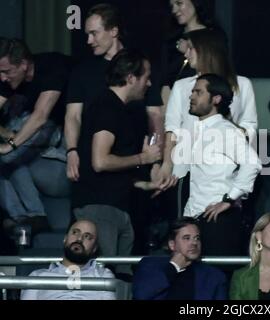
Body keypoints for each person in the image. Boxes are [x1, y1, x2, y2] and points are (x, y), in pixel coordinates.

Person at [138, 73, 261, 255]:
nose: (191, 96)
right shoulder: (203, 132)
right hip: (198, 219)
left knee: (217, 277)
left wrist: (228, 199)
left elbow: (253, 163)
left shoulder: (225, 131)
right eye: (192, 91)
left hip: (219, 220)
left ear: (216, 99)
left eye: (198, 92)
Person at [71, 49, 161, 276]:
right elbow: (100, 162)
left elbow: (112, 171)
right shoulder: (107, 107)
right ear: (131, 78)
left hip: (116, 206)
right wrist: (144, 158)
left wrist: (143, 185)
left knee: (121, 279)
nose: (149, 83)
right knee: (103, 277)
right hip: (101, 207)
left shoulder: (119, 109)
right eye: (146, 77)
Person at [65, 3, 164, 183]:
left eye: (94, 33)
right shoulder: (82, 71)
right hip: (96, 168)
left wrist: (155, 160)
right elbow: (73, 116)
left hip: (135, 167)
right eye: (87, 34)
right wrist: (71, 151)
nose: (89, 41)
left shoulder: (140, 66)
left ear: (113, 31)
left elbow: (155, 116)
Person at [157, 28, 257, 194]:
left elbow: (249, 124)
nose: (186, 54)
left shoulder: (241, 84)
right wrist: (167, 164)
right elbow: (172, 128)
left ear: (206, 50)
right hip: (186, 169)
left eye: (191, 48)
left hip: (224, 172)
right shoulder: (182, 86)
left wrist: (229, 128)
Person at [0, 37, 70, 234]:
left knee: (9, 153)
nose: (3, 77)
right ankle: (24, 217)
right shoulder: (11, 78)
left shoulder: (51, 66)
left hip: (64, 145)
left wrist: (9, 144)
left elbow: (40, 116)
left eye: (6, 72)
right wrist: (6, 133)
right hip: (36, 143)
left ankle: (35, 215)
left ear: (23, 64)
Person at [132, 217, 227, 300]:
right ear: (172, 245)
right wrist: (173, 267)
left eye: (197, 238)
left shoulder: (214, 276)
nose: (194, 243)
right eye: (186, 238)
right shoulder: (149, 265)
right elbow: (141, 295)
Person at [21, 219, 116, 300]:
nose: (79, 239)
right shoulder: (38, 276)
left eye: (87, 236)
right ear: (65, 239)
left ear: (94, 248)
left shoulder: (103, 275)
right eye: (75, 232)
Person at [161, 0, 218, 105]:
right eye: (172, 6)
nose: (174, 10)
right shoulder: (171, 39)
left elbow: (218, 67)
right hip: (176, 100)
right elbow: (164, 75)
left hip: (207, 99)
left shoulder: (214, 35)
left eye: (179, 3)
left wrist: (190, 49)